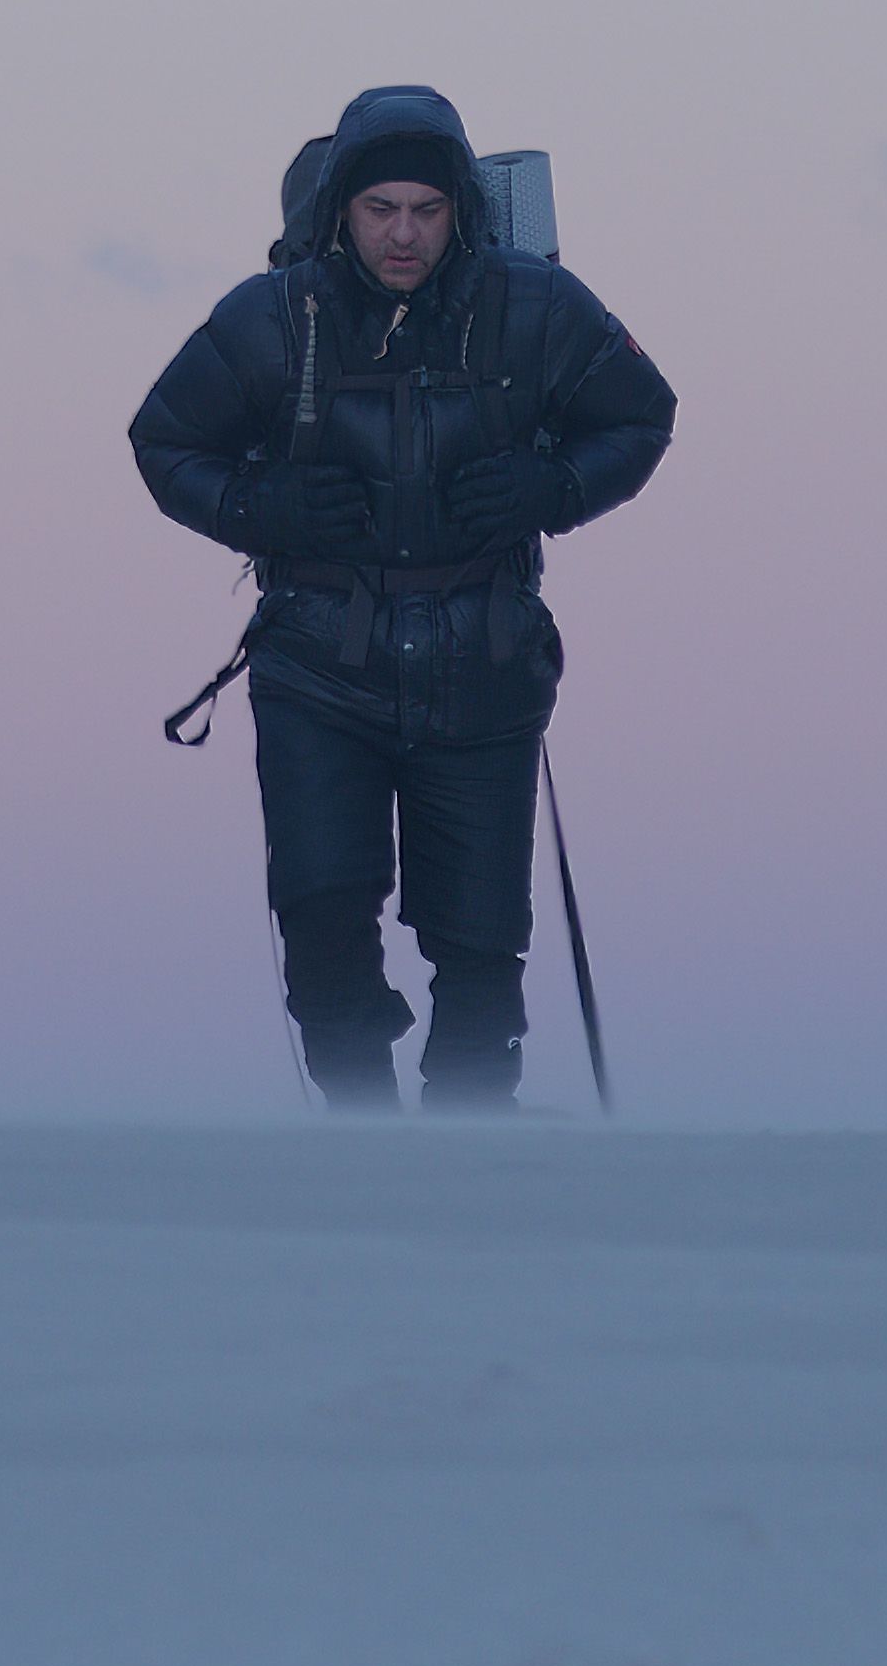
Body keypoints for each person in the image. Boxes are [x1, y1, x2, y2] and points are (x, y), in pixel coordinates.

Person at [128, 86, 675, 1111]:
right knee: (324, 919)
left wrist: (550, 490)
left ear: (460, 208)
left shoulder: (538, 307)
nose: (403, 232)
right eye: (381, 208)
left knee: (479, 949)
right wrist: (263, 504)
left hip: (486, 667)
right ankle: (361, 1151)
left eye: (425, 208)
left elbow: (642, 416)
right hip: (316, 668)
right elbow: (161, 441)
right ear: (340, 210)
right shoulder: (271, 318)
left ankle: (465, 1154)